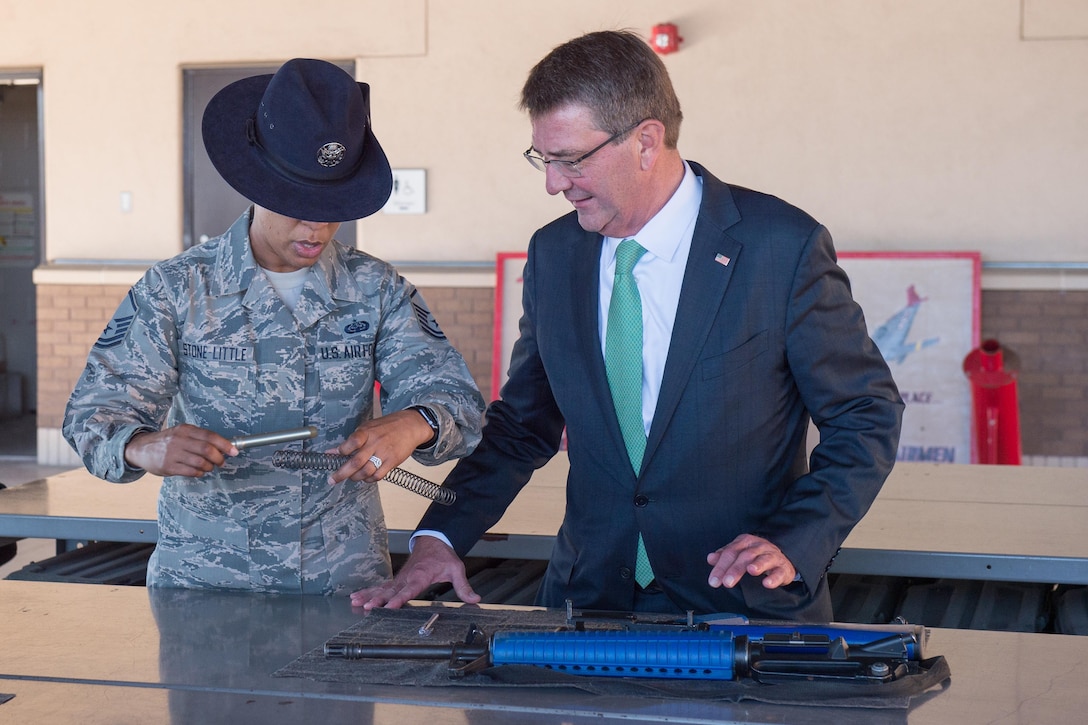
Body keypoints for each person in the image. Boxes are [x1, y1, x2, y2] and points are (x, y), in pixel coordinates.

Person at [352, 31, 903, 621]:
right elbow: (522, 425)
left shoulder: (780, 246)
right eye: (544, 159)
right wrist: (439, 538)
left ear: (646, 141)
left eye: (572, 159)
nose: (553, 183)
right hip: (587, 600)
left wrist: (798, 539)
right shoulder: (554, 254)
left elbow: (864, 413)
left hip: (743, 607)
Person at [63, 58, 485, 595]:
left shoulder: (375, 290)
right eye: (298, 205)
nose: (315, 227)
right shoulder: (177, 289)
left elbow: (459, 404)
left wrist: (415, 423)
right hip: (207, 585)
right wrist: (143, 446)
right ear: (257, 185)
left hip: (345, 583)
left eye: (333, 206)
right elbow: (90, 415)